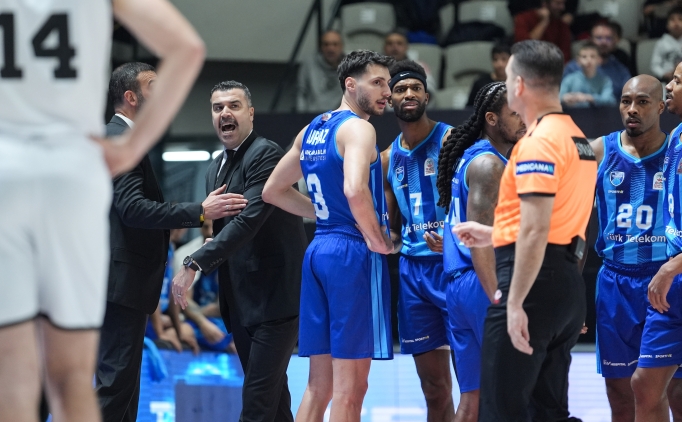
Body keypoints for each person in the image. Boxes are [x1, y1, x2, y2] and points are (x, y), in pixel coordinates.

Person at [0, 1, 204, 421]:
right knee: (72, 377)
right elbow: (188, 48)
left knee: (16, 375)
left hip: (9, 172)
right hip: (67, 174)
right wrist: (132, 146)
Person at [453, 40, 597, 421]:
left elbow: (535, 231)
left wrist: (514, 302)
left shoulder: (537, 143)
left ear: (519, 84)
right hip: (566, 283)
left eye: (507, 76)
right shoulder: (577, 138)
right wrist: (494, 233)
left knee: (500, 411)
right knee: (547, 412)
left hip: (531, 285)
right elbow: (560, 220)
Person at [97, 63, 245, 422]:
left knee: (123, 389)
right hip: (121, 283)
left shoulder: (120, 137)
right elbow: (133, 209)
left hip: (121, 283)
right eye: (153, 86)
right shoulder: (120, 139)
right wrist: (200, 211)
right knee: (115, 387)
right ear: (131, 98)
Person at [262, 50, 394, 422]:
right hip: (351, 252)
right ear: (350, 84)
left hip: (319, 248)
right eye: (377, 83)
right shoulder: (359, 128)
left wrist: (325, 214)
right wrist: (377, 239)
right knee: (351, 389)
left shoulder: (312, 129)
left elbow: (273, 190)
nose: (387, 92)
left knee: (318, 387)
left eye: (388, 84)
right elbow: (354, 188)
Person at [172, 80, 307, 422]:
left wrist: (194, 262)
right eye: (217, 108)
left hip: (275, 301)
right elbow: (226, 231)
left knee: (256, 407)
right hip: (242, 303)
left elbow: (248, 222)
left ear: (250, 113)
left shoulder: (266, 154)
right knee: (274, 406)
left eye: (233, 106)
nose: (225, 113)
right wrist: (211, 242)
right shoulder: (215, 166)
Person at [588, 74, 682, 422]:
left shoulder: (675, 148)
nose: (632, 109)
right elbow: (573, 222)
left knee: (674, 392)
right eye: (626, 101)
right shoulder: (599, 150)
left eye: (642, 102)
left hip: (665, 278)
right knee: (620, 394)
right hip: (615, 282)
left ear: (660, 107)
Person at [438, 81, 526, 422]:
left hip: (460, 287)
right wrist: (499, 300)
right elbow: (479, 242)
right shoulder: (489, 164)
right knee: (508, 398)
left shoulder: (474, 157)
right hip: (482, 285)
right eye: (515, 113)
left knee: (471, 401)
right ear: (491, 118)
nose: (524, 119)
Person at [380, 59, 456, 421]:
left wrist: (457, 238)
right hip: (413, 275)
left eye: (415, 88)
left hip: (456, 268)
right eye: (400, 89)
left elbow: (485, 203)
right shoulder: (386, 158)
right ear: (389, 99)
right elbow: (392, 228)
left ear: (427, 95)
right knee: (434, 389)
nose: (408, 94)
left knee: (474, 383)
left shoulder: (452, 141)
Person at [631, 61, 682, 422]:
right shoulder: (676, 136)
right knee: (645, 384)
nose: (670, 85)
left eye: (677, 80)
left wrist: (673, 266)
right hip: (672, 281)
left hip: (673, 270)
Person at [173, 220, 235, 352]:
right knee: (180, 331)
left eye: (214, 228)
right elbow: (181, 297)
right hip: (193, 318)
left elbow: (223, 305)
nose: (210, 232)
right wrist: (201, 321)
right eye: (206, 227)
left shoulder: (231, 254)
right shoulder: (186, 254)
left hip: (219, 321)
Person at [564, 21, 631, 102]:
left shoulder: (621, 70)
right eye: (599, 38)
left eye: (608, 38)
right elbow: (560, 97)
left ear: (614, 41)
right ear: (590, 40)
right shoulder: (573, 68)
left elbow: (628, 100)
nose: (604, 42)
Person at [297, 30, 345, 113]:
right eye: (326, 44)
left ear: (341, 46)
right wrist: (301, 116)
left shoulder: (351, 66)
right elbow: (301, 92)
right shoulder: (309, 64)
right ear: (321, 47)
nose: (330, 49)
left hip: (340, 117)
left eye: (335, 44)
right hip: (313, 116)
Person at [560, 42, 616, 108]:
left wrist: (589, 98)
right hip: (573, 113)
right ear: (578, 61)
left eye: (592, 56)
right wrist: (565, 98)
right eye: (584, 57)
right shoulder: (570, 79)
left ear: (599, 60)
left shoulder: (605, 81)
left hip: (597, 114)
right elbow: (558, 97)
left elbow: (610, 100)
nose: (589, 60)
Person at [651, 7, 682, 82]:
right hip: (667, 80)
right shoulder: (661, 43)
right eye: (672, 20)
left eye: (680, 19)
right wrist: (664, 74)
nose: (676, 23)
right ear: (667, 25)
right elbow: (654, 65)